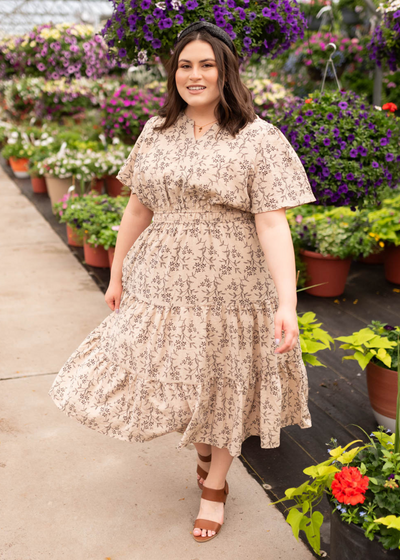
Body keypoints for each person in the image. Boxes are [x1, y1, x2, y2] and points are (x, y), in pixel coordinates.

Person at [49, 20, 316, 543]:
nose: (194, 75)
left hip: (233, 284)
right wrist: (117, 271)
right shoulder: (155, 131)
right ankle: (203, 449)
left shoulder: (259, 138)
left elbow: (272, 221)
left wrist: (287, 301)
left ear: (226, 72)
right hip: (161, 282)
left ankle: (215, 485)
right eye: (185, 66)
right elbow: (136, 207)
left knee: (222, 375)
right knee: (170, 374)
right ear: (173, 74)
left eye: (207, 65)